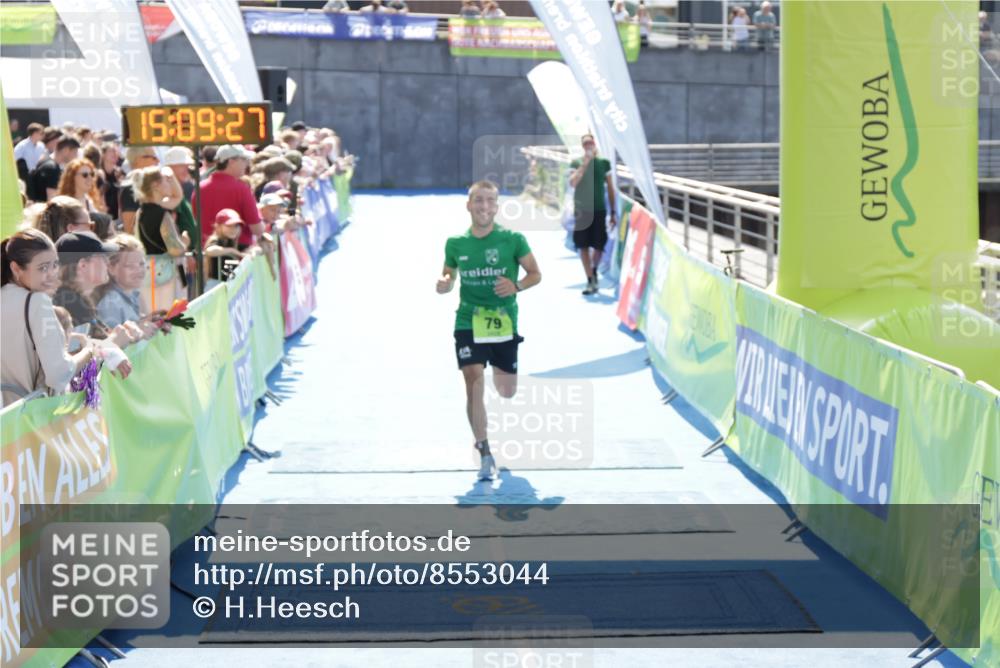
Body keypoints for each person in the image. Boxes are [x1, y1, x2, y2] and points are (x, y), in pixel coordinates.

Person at [436, 180, 541, 481]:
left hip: (503, 321)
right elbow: (448, 272)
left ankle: (485, 437)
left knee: (506, 390)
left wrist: (517, 285)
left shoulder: (513, 239)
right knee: (473, 379)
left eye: (489, 201)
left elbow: (535, 273)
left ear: (496, 206)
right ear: (468, 205)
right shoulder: (456, 243)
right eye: (478, 200)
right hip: (468, 320)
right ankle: (484, 449)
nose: (483, 206)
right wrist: (444, 282)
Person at [0, 230, 105, 406]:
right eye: (43, 268)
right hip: (30, 419)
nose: (52, 274)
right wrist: (89, 351)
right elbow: (59, 374)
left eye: (55, 265)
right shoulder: (37, 301)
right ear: (16, 268)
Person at [53, 231, 137, 346]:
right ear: (83, 265)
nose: (108, 262)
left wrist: (123, 335)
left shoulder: (76, 301)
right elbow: (82, 361)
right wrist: (114, 344)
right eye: (103, 257)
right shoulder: (69, 306)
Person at [133, 165, 188, 312]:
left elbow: (178, 196)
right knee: (171, 318)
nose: (169, 184)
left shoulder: (141, 211)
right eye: (166, 181)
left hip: (149, 273)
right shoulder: (161, 214)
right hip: (167, 276)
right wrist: (184, 242)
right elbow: (175, 249)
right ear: (155, 185)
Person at [568, 134, 616, 295]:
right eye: (585, 143)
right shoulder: (576, 163)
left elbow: (610, 188)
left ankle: (594, 270)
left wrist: (614, 212)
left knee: (599, 245)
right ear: (582, 146)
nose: (588, 145)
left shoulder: (604, 163)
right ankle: (589, 279)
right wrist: (585, 163)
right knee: (582, 246)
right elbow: (573, 183)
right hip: (582, 211)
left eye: (591, 142)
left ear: (595, 144)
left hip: (599, 210)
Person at [194, 144, 264, 251]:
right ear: (231, 161)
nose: (247, 164)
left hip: (206, 254)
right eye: (244, 159)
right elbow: (257, 229)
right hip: (237, 254)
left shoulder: (199, 188)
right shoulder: (241, 189)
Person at [96, 234, 149, 328]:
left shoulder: (133, 294)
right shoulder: (110, 304)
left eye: (141, 263)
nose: (139, 270)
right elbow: (113, 341)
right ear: (111, 268)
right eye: (130, 266)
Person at [119, 146, 160, 234]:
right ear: (139, 160)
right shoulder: (130, 188)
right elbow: (129, 228)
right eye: (154, 158)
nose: (158, 161)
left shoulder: (152, 186)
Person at [203, 209, 248, 288]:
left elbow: (252, 249)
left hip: (228, 285)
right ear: (219, 226)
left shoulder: (232, 241)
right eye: (229, 226)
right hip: (215, 285)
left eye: (236, 226)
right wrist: (232, 251)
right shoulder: (216, 240)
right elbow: (209, 251)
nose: (233, 229)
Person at [28, 136, 80, 203]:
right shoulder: (52, 169)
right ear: (65, 150)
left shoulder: (45, 161)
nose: (76, 156)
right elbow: (52, 200)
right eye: (75, 152)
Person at [98, 143, 124, 219]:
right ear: (103, 154)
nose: (115, 153)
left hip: (117, 217)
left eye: (116, 151)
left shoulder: (119, 173)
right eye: (112, 151)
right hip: (103, 216)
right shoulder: (99, 174)